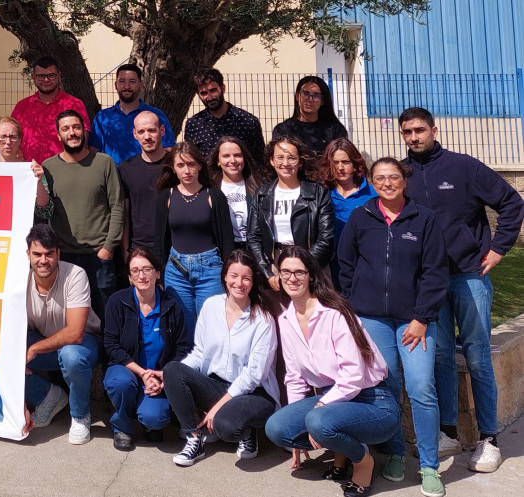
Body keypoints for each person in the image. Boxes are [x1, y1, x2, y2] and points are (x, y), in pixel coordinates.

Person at [400, 106, 524, 472]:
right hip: (427, 283)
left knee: (477, 357)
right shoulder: (401, 174)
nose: (413, 137)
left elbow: (511, 203)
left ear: (434, 131)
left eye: (419, 130)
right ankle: (448, 433)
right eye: (407, 132)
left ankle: (488, 440)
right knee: (439, 358)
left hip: (469, 275)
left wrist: (499, 249)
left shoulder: (464, 167)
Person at [338, 157, 449, 497]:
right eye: (380, 178)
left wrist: (421, 318)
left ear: (405, 181)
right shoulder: (361, 217)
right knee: (387, 389)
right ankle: (397, 453)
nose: (387, 183)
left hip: (414, 320)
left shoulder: (424, 219)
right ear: (372, 181)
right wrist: (354, 309)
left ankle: (429, 466)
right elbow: (346, 265)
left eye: (394, 177)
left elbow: (435, 273)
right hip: (372, 318)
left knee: (421, 388)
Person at [265, 246, 400, 497]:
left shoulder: (335, 313)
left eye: (299, 272)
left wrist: (317, 412)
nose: (292, 278)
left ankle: (362, 460)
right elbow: (294, 378)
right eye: (285, 272)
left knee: (317, 421)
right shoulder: (286, 320)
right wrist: (296, 430)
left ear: (311, 276)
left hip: (373, 402)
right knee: (277, 428)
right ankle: (341, 450)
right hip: (332, 400)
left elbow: (353, 376)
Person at [164, 249, 280, 466]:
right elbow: (199, 353)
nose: (240, 283)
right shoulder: (211, 306)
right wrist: (169, 378)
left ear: (253, 281)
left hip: (255, 394)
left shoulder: (263, 319)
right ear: (225, 277)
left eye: (246, 278)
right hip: (217, 385)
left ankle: (247, 429)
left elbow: (254, 375)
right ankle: (194, 438)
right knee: (172, 369)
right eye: (234, 276)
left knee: (226, 427)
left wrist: (217, 408)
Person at [103, 247, 191, 451]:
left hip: (157, 375)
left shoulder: (171, 305)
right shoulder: (117, 302)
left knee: (156, 419)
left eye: (147, 269)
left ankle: (146, 418)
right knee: (120, 383)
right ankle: (122, 427)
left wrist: (163, 377)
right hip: (127, 370)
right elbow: (111, 345)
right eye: (135, 271)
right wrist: (142, 373)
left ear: (157, 273)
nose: (141, 275)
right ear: (129, 277)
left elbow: (182, 347)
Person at [41, 110, 124, 322]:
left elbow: (117, 206)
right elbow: (43, 208)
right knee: (66, 318)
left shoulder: (104, 163)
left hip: (98, 256)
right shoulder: (48, 167)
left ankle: (112, 356)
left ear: (84, 131)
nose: (72, 133)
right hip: (64, 257)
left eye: (76, 127)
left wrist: (108, 248)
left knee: (107, 317)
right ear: (58, 135)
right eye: (66, 129)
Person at [23, 224, 102, 445]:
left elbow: (76, 333)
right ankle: (47, 396)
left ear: (58, 253)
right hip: (46, 342)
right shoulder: (20, 280)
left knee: (71, 355)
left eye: (49, 254)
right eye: (37, 254)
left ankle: (80, 416)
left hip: (85, 343)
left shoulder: (75, 274)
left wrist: (34, 349)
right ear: (28, 254)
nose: (43, 260)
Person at [153, 141, 234, 333]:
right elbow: (159, 240)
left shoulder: (213, 195)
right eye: (180, 165)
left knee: (212, 326)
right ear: (173, 169)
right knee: (184, 326)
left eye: (191, 164)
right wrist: (160, 273)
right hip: (176, 271)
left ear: (199, 165)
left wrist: (228, 271)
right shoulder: (166, 196)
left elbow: (227, 239)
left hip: (210, 269)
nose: (186, 170)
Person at [247, 137, 334, 293]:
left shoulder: (317, 193)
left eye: (292, 158)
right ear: (272, 161)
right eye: (280, 157)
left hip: (311, 264)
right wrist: (268, 273)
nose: (285, 163)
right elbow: (254, 237)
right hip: (275, 266)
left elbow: (326, 238)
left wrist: (302, 266)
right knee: (279, 316)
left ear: (300, 162)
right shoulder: (261, 195)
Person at [317, 138, 376, 288]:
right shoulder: (321, 195)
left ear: (356, 165)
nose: (340, 167)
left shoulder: (373, 194)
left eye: (345, 162)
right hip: (330, 269)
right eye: (335, 163)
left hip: (364, 269)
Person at [89, 64, 176, 165]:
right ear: (116, 85)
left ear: (141, 85)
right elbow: (93, 151)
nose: (127, 86)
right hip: (112, 178)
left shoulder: (156, 115)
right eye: (122, 81)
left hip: (147, 177)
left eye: (132, 82)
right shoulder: (102, 118)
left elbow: (169, 149)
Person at [11, 56, 91, 163]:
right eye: (41, 76)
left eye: (51, 75)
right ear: (33, 77)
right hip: (30, 172)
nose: (46, 80)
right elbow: (13, 138)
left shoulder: (74, 104)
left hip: (64, 170)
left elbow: (82, 139)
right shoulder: (21, 107)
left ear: (59, 76)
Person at [184, 68, 265, 165]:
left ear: (222, 88)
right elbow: (191, 159)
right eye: (204, 93)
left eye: (213, 90)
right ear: (198, 94)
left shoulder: (247, 121)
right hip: (208, 180)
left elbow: (260, 159)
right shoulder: (194, 124)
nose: (210, 97)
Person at [118, 111, 170, 251]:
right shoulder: (126, 169)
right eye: (141, 132)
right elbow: (124, 214)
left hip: (174, 246)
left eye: (152, 130)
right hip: (139, 248)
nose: (147, 137)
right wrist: (125, 251)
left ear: (162, 130)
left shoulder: (176, 165)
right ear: (135, 134)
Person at [209, 136, 264, 249]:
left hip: (252, 250)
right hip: (222, 251)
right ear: (218, 161)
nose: (232, 160)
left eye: (237, 155)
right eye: (226, 156)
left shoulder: (259, 188)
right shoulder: (210, 190)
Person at [272, 76, 348, 157]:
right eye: (305, 93)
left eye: (316, 95)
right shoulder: (283, 130)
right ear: (297, 96)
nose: (310, 99)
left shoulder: (335, 130)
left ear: (322, 101)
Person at [0, 117, 52, 219]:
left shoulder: (32, 171)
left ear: (20, 140)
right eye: (3, 137)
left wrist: (38, 181)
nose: (8, 142)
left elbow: (46, 212)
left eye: (13, 137)